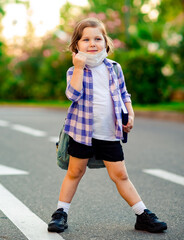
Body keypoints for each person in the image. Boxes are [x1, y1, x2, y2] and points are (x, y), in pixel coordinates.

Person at [47, 18, 167, 234]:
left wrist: (129, 112)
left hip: (109, 132)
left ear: (105, 42)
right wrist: (79, 68)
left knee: (120, 175)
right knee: (75, 172)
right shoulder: (74, 70)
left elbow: (123, 93)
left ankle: (142, 214)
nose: (92, 43)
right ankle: (60, 213)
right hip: (81, 132)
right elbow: (72, 95)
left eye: (97, 38)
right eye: (86, 39)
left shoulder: (113, 68)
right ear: (76, 46)